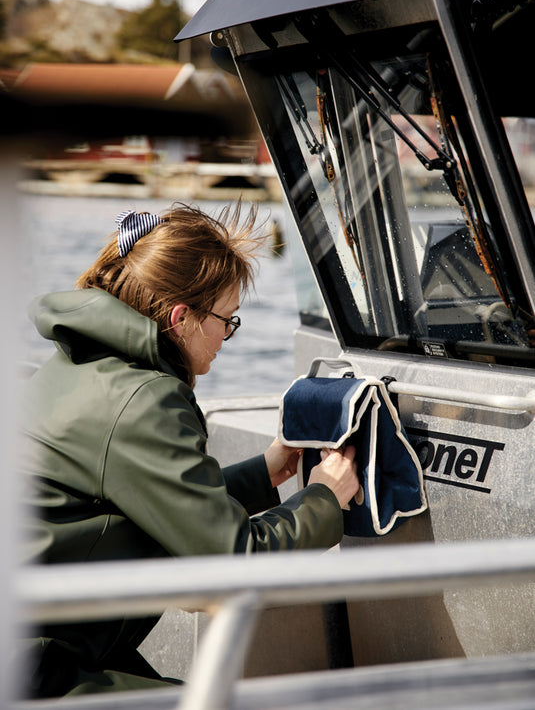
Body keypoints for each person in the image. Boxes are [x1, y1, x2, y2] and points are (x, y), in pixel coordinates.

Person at [20, 202, 359, 698]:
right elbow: (228, 566)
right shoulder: (145, 400)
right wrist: (324, 498)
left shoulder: (82, 365)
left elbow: (147, 502)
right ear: (182, 319)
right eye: (227, 319)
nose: (228, 335)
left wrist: (265, 473)